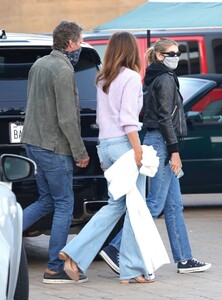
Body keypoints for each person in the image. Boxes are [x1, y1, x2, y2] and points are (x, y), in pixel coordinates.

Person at [99, 37, 212, 275]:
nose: (177, 57)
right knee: (154, 205)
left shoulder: (152, 77)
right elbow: (164, 118)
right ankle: (114, 247)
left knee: (174, 205)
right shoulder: (166, 79)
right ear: (160, 56)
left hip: (156, 141)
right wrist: (174, 152)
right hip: (161, 144)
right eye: (172, 53)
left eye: (178, 52)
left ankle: (184, 258)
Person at [58, 31, 160, 284]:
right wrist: (138, 151)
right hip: (125, 145)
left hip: (106, 144)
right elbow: (128, 120)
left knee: (118, 205)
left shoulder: (102, 78)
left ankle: (80, 254)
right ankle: (130, 268)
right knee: (134, 207)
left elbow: (102, 119)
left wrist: (105, 153)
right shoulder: (132, 78)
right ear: (131, 50)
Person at [21, 20, 90, 284]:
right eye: (81, 41)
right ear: (71, 42)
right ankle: (54, 268)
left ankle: (6, 231)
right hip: (53, 146)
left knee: (47, 200)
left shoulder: (39, 64)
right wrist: (80, 151)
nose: (81, 45)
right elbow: (67, 118)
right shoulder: (62, 69)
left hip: (34, 143)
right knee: (63, 204)